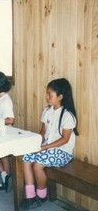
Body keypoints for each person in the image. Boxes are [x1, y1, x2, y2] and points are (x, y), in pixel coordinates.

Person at [21, 78, 78, 210]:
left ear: (60, 97)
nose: (47, 97)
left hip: (62, 151)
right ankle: (30, 196)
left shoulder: (67, 116)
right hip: (47, 148)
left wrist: (43, 147)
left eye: (49, 94)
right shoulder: (47, 111)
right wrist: (36, 143)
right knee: (25, 157)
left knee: (37, 165)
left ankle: (41, 195)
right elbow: (42, 131)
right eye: (46, 93)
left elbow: (65, 139)